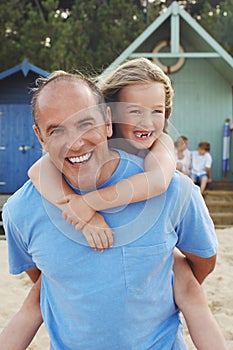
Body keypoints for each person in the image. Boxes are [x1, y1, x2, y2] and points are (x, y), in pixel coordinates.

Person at [1, 67, 223, 349]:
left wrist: (172, 281)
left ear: (107, 121)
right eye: (56, 130)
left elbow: (204, 261)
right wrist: (79, 213)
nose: (75, 142)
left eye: (85, 124)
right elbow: (47, 280)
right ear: (40, 137)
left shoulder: (174, 189)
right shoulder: (21, 211)